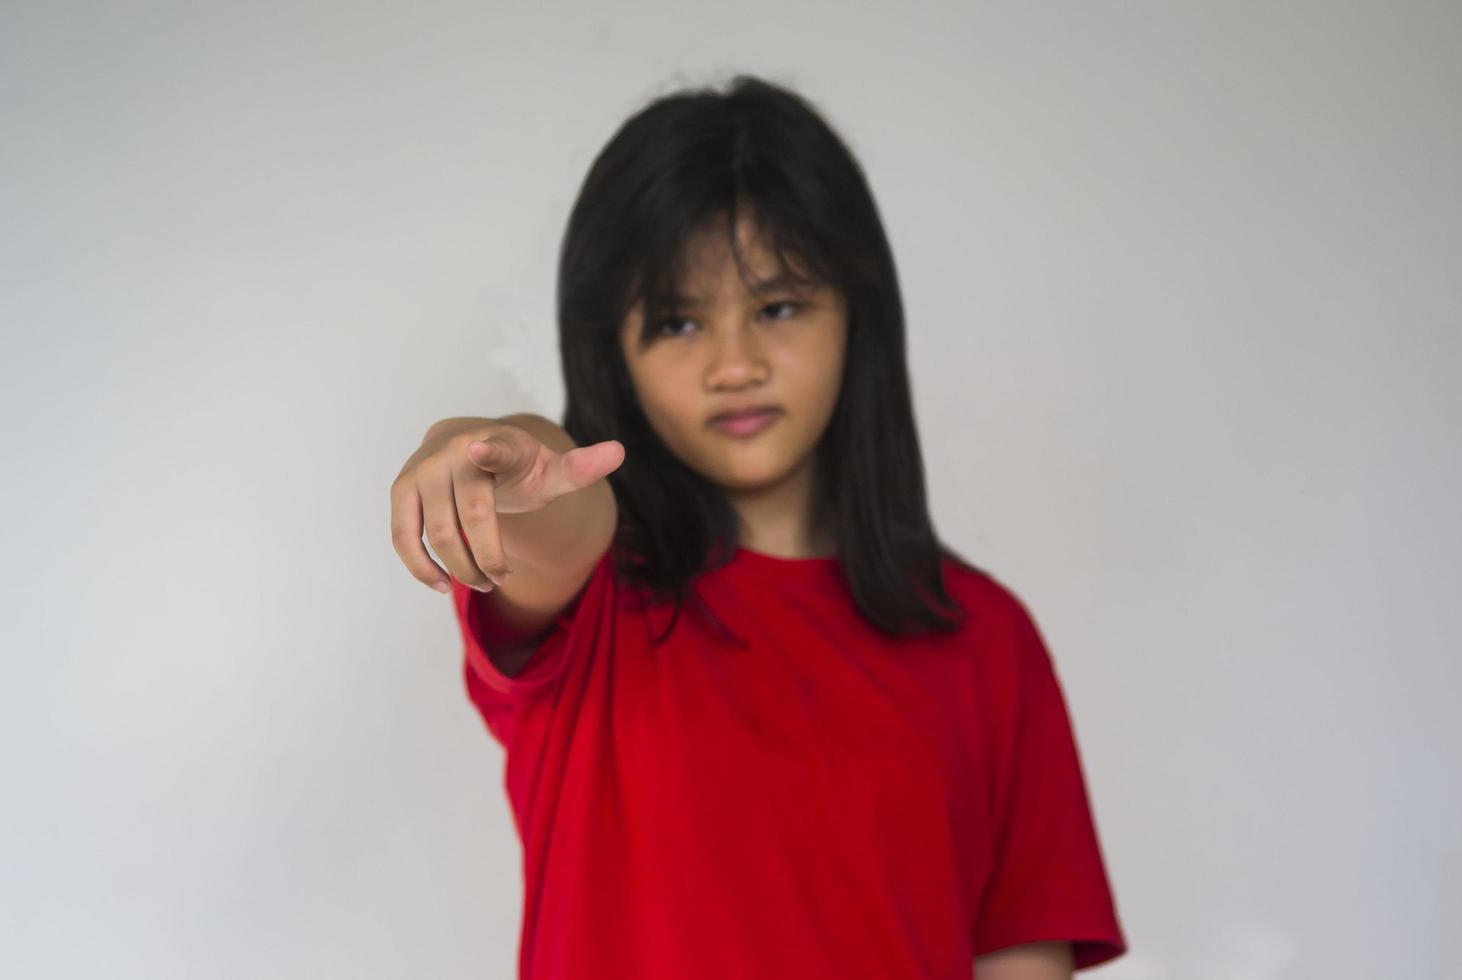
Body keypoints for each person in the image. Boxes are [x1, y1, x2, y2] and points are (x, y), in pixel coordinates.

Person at [390, 74, 1128, 980]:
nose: (734, 364)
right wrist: (496, 453)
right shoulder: (592, 603)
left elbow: (1020, 960)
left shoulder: (987, 642)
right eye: (676, 322)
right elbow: (557, 512)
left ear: (859, 314)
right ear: (612, 355)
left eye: (778, 307)